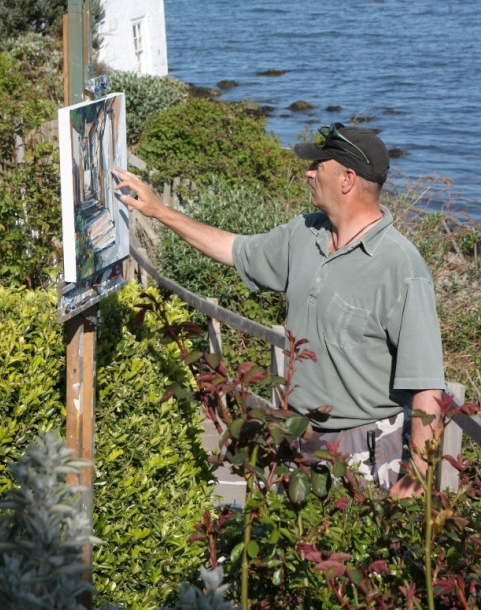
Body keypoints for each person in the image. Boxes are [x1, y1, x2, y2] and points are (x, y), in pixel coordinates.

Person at [113, 123, 445, 498]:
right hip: (299, 436)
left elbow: (427, 382)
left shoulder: (402, 268)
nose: (308, 173)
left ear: (347, 179)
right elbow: (233, 249)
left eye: (318, 166)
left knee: (355, 539)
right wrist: (159, 211)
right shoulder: (305, 233)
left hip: (367, 450)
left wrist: (417, 476)